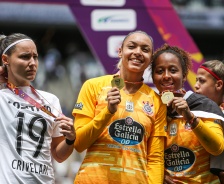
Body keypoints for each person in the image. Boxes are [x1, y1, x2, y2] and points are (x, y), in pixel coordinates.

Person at [72, 30, 167, 184]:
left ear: (150, 60)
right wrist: (108, 112)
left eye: (145, 49)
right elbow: (79, 143)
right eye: (132, 46)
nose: (138, 52)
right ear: (120, 51)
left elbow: (155, 159)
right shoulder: (93, 86)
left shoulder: (157, 101)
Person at [0, 33, 76, 183]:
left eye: (35, 57)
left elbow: (59, 156)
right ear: (5, 59)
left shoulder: (51, 100)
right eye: (24, 57)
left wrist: (70, 139)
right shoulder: (2, 96)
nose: (32, 62)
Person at [151, 43, 224, 183]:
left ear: (185, 75)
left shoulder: (203, 105)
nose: (166, 76)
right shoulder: (149, 108)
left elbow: (217, 148)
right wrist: (160, 175)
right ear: (153, 77)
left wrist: (190, 117)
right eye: (159, 71)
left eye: (173, 70)